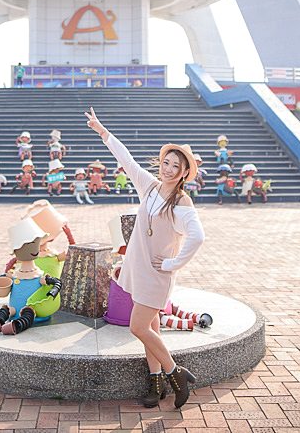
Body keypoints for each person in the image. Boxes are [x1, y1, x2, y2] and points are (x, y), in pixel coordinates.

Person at [84, 106, 204, 409]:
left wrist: (173, 264)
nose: (167, 168)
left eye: (175, 165)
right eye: (165, 162)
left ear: (183, 173)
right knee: (152, 327)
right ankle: (156, 383)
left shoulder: (181, 203)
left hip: (157, 276)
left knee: (138, 328)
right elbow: (126, 159)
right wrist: (103, 132)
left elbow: (198, 237)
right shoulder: (149, 187)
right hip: (140, 271)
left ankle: (176, 374)